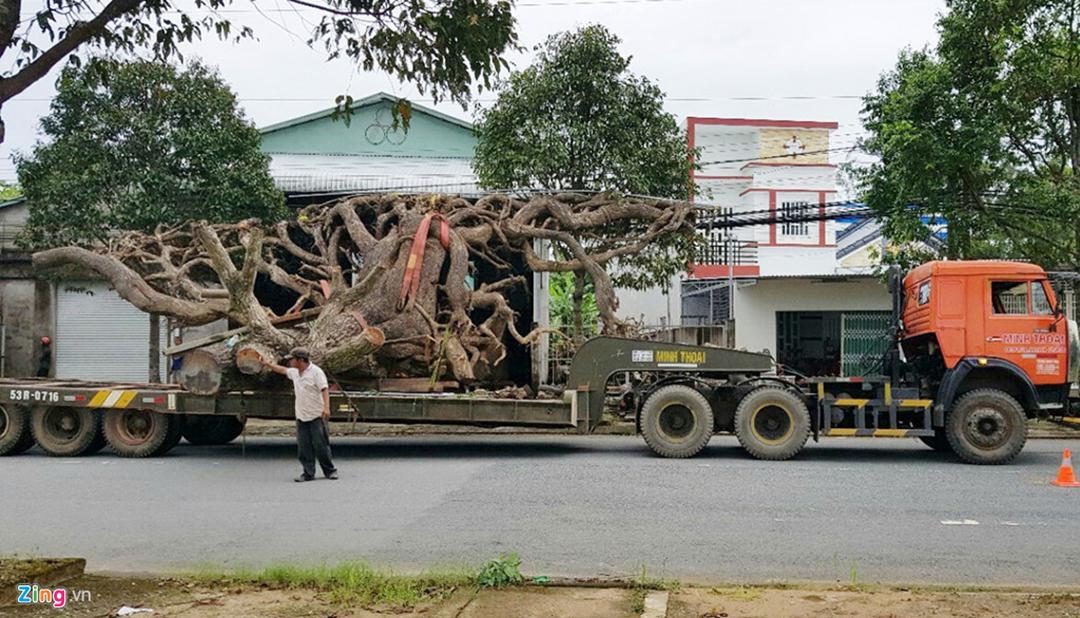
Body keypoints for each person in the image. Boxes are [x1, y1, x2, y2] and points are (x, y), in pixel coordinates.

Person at [260, 347, 339, 482]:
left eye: (292, 359)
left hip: (316, 415)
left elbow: (324, 389)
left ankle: (330, 470)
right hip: (301, 415)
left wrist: (326, 408)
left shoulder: (316, 372)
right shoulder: (295, 372)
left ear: (300, 360)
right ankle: (308, 473)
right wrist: (268, 364)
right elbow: (282, 370)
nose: (290, 362)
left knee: (321, 445)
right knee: (304, 446)